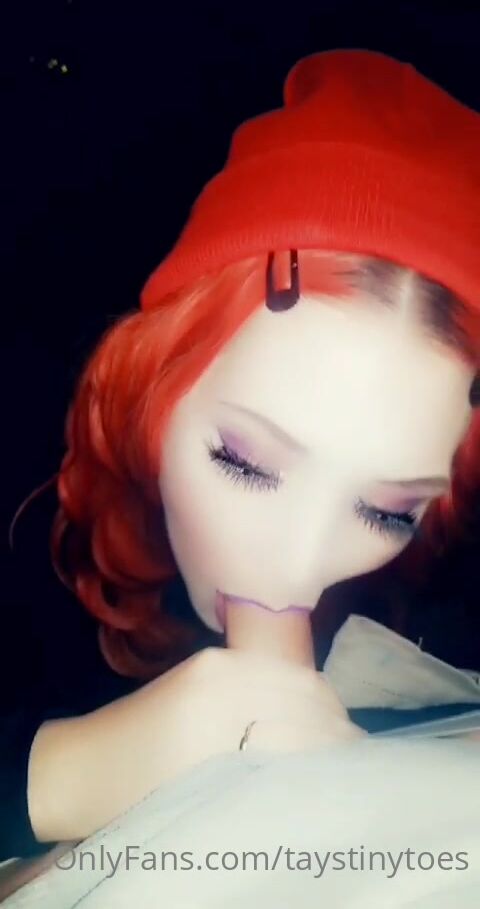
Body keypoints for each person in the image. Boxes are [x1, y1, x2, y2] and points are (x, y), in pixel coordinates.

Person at [1, 47, 480, 865]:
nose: (297, 569)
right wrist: (54, 774)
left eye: (386, 511)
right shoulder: (19, 512)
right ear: (157, 381)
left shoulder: (422, 619)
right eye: (247, 463)